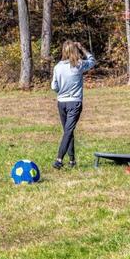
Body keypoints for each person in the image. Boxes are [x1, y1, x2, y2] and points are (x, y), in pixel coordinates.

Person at [50, 40, 96, 169]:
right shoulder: (79, 65)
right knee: (68, 131)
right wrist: (83, 49)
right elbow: (92, 61)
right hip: (74, 102)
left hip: (61, 103)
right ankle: (59, 159)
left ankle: (72, 160)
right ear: (75, 51)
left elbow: (54, 86)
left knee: (68, 131)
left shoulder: (58, 66)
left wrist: (61, 90)